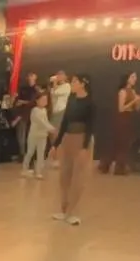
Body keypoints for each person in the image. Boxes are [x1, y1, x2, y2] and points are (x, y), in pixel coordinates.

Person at [52, 73, 96, 226]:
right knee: (65, 175)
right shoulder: (71, 100)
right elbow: (64, 122)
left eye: (75, 81)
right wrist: (56, 144)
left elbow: (90, 126)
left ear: (83, 83)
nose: (72, 83)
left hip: (81, 139)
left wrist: (84, 147)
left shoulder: (90, 103)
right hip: (68, 139)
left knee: (78, 176)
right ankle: (64, 209)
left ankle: (74, 211)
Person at [98, 72, 140, 175]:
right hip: (121, 119)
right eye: (133, 77)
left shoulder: (132, 91)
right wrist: (134, 100)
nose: (135, 79)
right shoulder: (122, 91)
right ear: (127, 79)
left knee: (125, 143)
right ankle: (109, 166)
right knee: (118, 142)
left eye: (135, 77)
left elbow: (137, 108)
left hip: (128, 118)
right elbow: (121, 108)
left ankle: (119, 167)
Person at [21, 91, 55, 179]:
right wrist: (51, 129)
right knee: (30, 152)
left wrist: (51, 128)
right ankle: (24, 170)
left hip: (43, 136)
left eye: (46, 100)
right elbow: (41, 122)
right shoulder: (35, 110)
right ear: (37, 101)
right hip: (34, 135)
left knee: (41, 154)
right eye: (42, 100)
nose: (44, 101)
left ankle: (38, 172)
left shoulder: (44, 110)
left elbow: (46, 122)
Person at [12, 71, 38, 161]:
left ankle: (29, 154)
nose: (30, 78)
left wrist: (22, 102)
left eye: (32, 76)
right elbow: (18, 99)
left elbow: (33, 102)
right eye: (29, 77)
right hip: (22, 114)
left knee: (28, 135)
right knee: (21, 135)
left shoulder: (36, 90)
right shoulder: (24, 89)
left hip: (30, 115)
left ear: (35, 78)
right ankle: (22, 154)